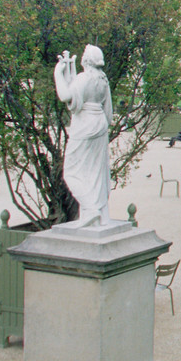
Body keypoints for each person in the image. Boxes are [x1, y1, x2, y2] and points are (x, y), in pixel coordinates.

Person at [54, 45, 113, 226]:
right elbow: (108, 113)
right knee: (96, 171)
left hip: (84, 125)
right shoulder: (103, 81)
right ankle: (99, 213)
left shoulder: (83, 78)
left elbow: (65, 95)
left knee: (72, 171)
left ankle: (91, 208)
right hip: (100, 124)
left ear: (85, 60)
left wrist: (58, 72)